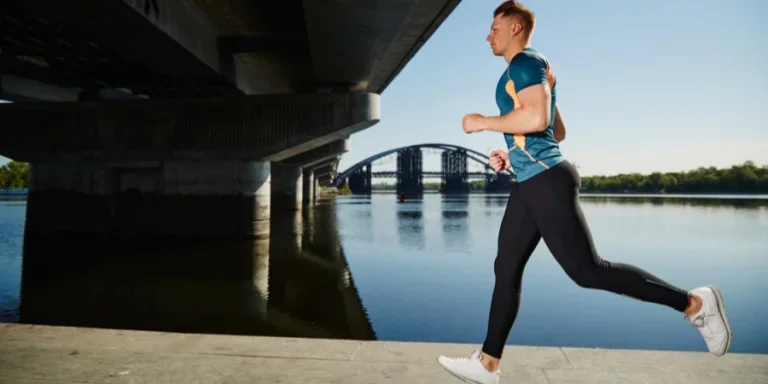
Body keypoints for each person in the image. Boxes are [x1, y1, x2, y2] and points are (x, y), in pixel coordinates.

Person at [436, 1, 732, 383]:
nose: (487, 35)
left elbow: (538, 118)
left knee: (587, 271)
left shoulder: (524, 63)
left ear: (515, 29)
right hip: (530, 180)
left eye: (495, 27)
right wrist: (512, 153)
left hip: (546, 180)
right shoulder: (532, 69)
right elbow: (554, 131)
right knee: (505, 266)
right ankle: (488, 363)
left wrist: (484, 122)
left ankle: (694, 303)